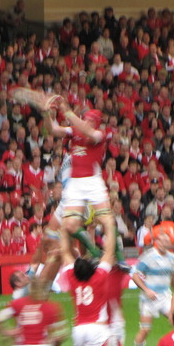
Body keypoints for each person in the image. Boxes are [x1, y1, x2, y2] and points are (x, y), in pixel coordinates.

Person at [60, 211, 115, 346]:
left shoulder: (72, 279)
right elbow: (109, 252)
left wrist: (65, 230)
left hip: (78, 328)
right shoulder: (99, 277)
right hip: (96, 329)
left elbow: (65, 253)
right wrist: (109, 226)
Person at [45, 99, 116, 260]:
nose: (87, 122)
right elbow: (53, 130)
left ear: (97, 123)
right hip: (75, 186)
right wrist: (47, 114)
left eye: (91, 120)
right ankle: (91, 254)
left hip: (91, 184)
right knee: (69, 227)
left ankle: (114, 257)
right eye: (86, 118)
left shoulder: (99, 135)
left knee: (106, 220)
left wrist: (67, 111)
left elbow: (88, 131)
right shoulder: (74, 130)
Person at [131, 231, 174, 346]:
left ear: (170, 244)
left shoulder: (172, 258)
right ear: (157, 241)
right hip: (149, 299)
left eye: (167, 242)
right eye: (161, 241)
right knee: (145, 330)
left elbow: (172, 275)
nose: (164, 244)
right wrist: (146, 290)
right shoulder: (149, 256)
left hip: (165, 296)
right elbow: (135, 275)